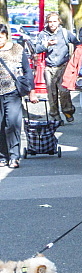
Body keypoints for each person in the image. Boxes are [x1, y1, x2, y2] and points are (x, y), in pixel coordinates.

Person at [0, 24, 36, 168]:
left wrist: (31, 91)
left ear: (6, 36)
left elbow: (28, 71)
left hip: (12, 92)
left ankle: (14, 156)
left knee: (13, 124)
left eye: (1, 37)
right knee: (1, 125)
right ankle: (3, 155)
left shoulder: (17, 49)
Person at [34, 12, 79, 123]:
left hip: (63, 65)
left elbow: (77, 43)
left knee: (64, 91)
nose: (52, 24)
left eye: (54, 21)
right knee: (51, 93)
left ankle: (68, 110)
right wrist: (46, 45)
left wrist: (74, 59)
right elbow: (36, 49)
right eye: (50, 22)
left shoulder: (65, 33)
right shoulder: (43, 34)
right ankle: (55, 116)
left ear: (59, 21)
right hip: (49, 67)